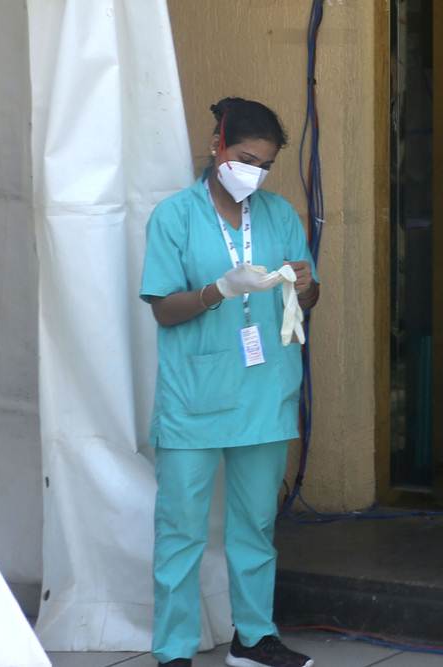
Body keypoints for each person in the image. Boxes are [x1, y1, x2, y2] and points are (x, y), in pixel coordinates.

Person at [140, 97, 319, 667]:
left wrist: (306, 284)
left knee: (255, 525)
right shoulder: (175, 216)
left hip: (263, 391)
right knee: (181, 530)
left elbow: (308, 298)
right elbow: (163, 309)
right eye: (245, 159)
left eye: (265, 165)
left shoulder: (279, 215)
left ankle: (254, 638)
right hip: (194, 396)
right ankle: (173, 650)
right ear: (217, 146)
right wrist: (217, 291)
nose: (254, 173)